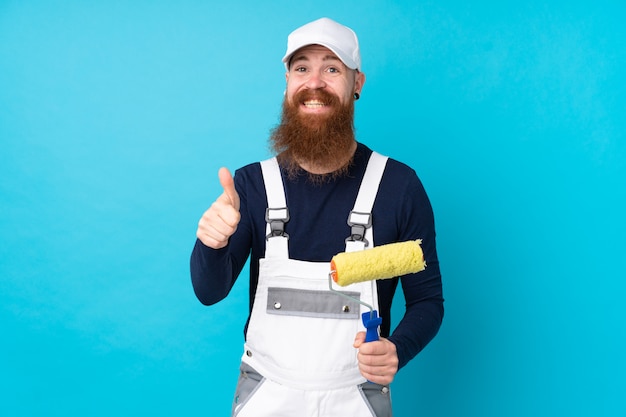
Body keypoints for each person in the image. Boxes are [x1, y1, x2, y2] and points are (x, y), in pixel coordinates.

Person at [190, 17, 444, 417]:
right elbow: (208, 292)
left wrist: (398, 348)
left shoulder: (398, 187)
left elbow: (427, 301)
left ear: (356, 83)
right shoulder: (253, 185)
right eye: (301, 67)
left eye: (331, 68)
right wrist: (211, 242)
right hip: (265, 396)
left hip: (358, 398)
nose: (315, 82)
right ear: (288, 82)